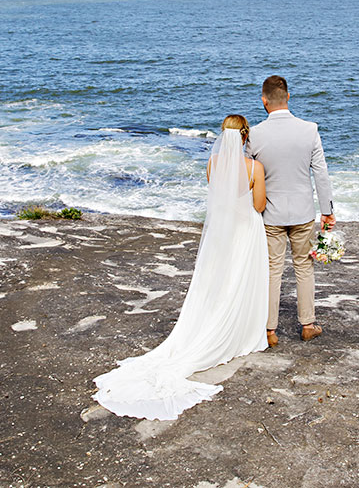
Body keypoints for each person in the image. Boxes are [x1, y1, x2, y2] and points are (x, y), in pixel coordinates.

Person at [92, 115, 269, 421]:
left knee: (217, 280)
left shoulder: (213, 164)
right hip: (245, 231)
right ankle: (240, 331)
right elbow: (259, 204)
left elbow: (220, 197)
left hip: (220, 233)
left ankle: (212, 323)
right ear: (244, 137)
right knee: (240, 280)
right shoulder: (255, 168)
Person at [248, 75, 335, 346]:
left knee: (272, 269)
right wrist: (327, 210)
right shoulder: (309, 129)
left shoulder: (256, 134)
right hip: (303, 212)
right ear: (288, 98)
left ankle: (269, 330)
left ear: (264, 101)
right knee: (304, 268)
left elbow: (249, 174)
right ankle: (308, 324)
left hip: (269, 214)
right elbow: (321, 173)